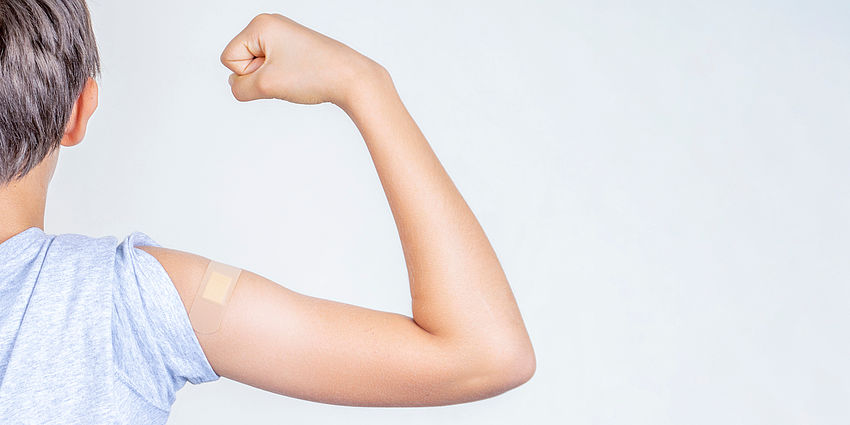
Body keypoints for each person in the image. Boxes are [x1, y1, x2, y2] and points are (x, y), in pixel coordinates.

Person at [0, 1, 535, 423]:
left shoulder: (123, 301)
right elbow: (484, 354)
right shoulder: (117, 304)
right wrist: (362, 82)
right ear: (79, 111)